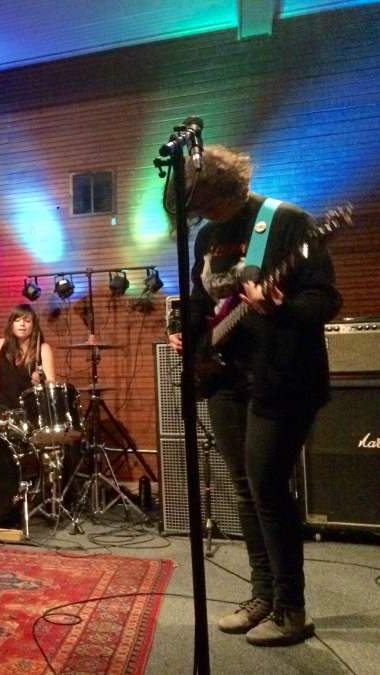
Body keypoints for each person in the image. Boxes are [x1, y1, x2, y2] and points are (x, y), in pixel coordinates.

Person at [166, 144, 340, 646]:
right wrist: (187, 333)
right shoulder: (207, 235)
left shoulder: (287, 221)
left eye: (204, 205)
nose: (199, 215)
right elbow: (203, 300)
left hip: (283, 378)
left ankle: (292, 608)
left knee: (266, 485)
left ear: (226, 190)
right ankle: (263, 594)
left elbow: (324, 299)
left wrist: (279, 308)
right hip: (226, 377)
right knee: (244, 486)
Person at [0, 303, 56, 417]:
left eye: (27, 321)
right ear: (11, 324)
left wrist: (41, 379)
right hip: (2, 405)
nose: (22, 324)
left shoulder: (43, 348)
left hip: (31, 408)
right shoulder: (0, 344)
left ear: (34, 326)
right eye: (17, 320)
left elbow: (51, 382)